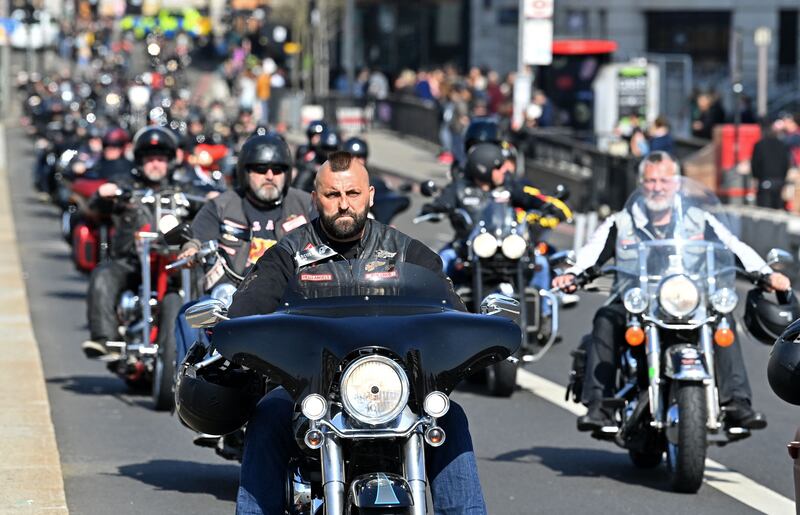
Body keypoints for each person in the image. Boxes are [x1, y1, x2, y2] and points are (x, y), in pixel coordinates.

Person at [227, 151, 487, 514]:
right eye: (333, 195)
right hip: (309, 390)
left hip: (395, 392)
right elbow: (246, 311)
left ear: (371, 196)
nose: (343, 204)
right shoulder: (288, 253)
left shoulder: (406, 252)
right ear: (315, 198)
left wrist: (472, 332)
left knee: (451, 418)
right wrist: (232, 332)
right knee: (268, 416)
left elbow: (449, 310)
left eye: (352, 194)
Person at [552, 151, 791, 431]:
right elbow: (593, 252)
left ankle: (737, 403)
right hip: (636, 302)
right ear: (641, 184)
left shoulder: (698, 219)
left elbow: (734, 247)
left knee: (722, 320)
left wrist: (766, 273)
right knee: (605, 317)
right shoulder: (623, 221)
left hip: (688, 299)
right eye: (651, 181)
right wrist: (573, 274)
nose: (658, 187)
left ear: (676, 184)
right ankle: (599, 405)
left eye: (664, 180)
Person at [174, 132, 315, 362]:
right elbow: (197, 237)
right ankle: (192, 378)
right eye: (260, 169)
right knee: (190, 314)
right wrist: (191, 249)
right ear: (245, 171)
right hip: (232, 294)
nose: (269, 176)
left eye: (277, 169)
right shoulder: (222, 206)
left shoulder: (306, 204)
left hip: (292, 293)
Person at [81, 127, 186, 358]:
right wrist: (103, 194)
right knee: (103, 274)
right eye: (150, 159)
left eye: (160, 159)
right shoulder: (125, 185)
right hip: (131, 262)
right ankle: (104, 339)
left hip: (174, 263)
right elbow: (95, 208)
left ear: (169, 162)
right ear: (140, 161)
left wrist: (212, 198)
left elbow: (212, 204)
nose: (155, 164)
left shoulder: (183, 189)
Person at [423, 142, 571, 278]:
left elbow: (530, 198)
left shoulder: (509, 187)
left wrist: (549, 208)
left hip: (506, 247)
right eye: (499, 166)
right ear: (483, 168)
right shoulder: (460, 189)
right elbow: (442, 202)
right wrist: (432, 209)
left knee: (541, 264)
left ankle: (544, 307)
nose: (505, 169)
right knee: (440, 263)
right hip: (466, 249)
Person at [751, 119, 792, 209]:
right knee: (778, 207)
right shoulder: (782, 145)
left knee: (765, 209)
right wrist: (783, 178)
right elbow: (786, 163)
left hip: (764, 180)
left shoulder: (759, 145)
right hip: (779, 181)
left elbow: (755, 163)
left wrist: (756, 177)